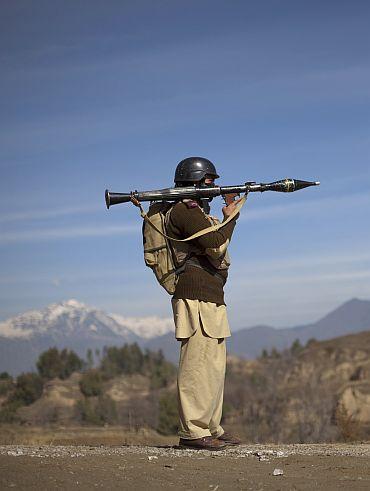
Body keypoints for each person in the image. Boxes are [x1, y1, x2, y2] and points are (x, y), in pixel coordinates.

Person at [166, 156, 243, 450]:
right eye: (209, 182)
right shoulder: (184, 211)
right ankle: (192, 432)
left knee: (213, 367)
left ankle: (210, 427)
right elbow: (214, 243)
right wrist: (232, 215)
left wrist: (225, 215)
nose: (213, 187)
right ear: (195, 182)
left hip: (211, 296)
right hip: (194, 295)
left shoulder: (197, 211)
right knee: (196, 365)